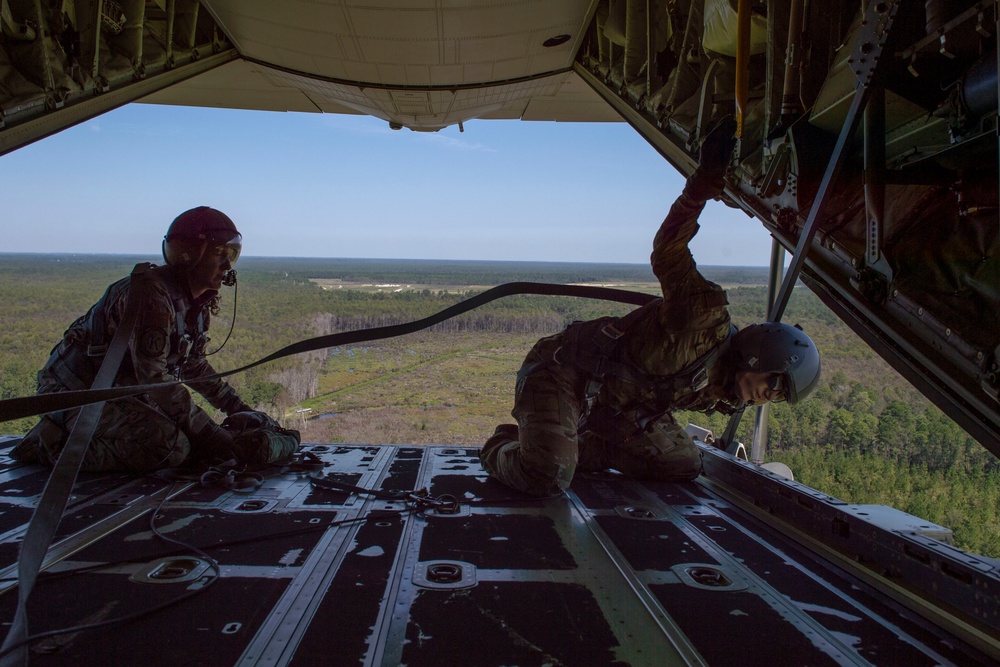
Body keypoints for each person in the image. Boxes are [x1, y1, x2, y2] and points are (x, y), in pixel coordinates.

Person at [480, 119, 821, 496]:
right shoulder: (703, 320)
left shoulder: (723, 388)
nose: (766, 398)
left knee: (683, 465)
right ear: (761, 357)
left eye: (777, 397)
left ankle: (571, 444)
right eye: (774, 385)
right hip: (563, 373)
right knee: (548, 475)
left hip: (616, 410)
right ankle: (505, 445)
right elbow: (668, 252)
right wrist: (698, 191)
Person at [11, 206, 289, 472]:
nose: (227, 264)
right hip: (75, 394)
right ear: (188, 254)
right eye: (219, 253)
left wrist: (239, 409)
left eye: (232, 254)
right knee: (172, 447)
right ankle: (47, 445)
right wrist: (210, 433)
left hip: (120, 393)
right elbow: (154, 378)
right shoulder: (152, 297)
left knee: (194, 438)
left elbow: (193, 366)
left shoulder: (194, 304)